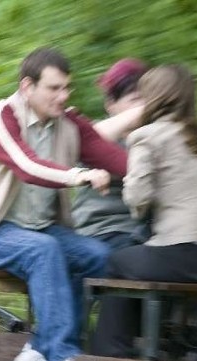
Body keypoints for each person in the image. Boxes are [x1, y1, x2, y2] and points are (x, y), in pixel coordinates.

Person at [0, 47, 130, 361]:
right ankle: (60, 358)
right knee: (44, 250)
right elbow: (27, 166)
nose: (63, 96)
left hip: (39, 229)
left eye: (67, 88)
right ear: (27, 87)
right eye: (54, 88)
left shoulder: (69, 124)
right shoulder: (1, 118)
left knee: (100, 258)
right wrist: (78, 175)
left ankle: (39, 347)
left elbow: (117, 160)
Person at [91, 64, 197, 358]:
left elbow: (137, 198)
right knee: (194, 281)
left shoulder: (147, 136)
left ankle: (111, 354)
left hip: (180, 253)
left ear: (153, 97)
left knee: (117, 262)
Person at [72, 58, 149, 251]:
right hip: (104, 230)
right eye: (135, 100)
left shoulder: (155, 136)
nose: (144, 106)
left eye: (148, 99)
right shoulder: (96, 133)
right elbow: (89, 139)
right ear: (110, 105)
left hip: (148, 232)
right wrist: (140, 112)